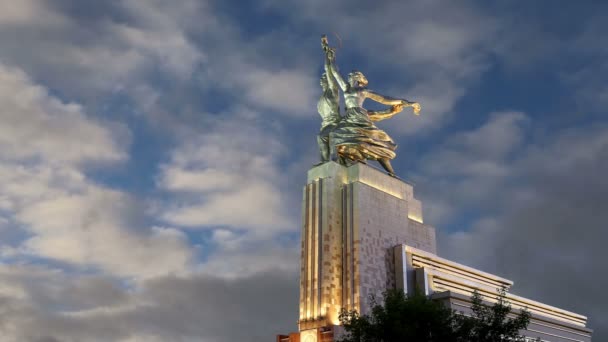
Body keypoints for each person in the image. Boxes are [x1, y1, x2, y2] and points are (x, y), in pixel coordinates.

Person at [324, 43, 421, 177]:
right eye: (349, 76)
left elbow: (384, 99)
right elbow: (335, 72)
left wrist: (407, 103)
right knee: (335, 137)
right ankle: (333, 164)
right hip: (349, 117)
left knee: (372, 141)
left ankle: (391, 172)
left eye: (353, 76)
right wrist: (330, 56)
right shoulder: (346, 88)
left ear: (358, 79)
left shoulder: (363, 90)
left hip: (360, 116)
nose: (350, 77)